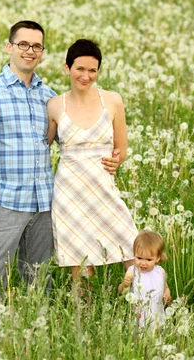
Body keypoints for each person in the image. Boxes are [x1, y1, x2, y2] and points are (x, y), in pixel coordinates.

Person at [0, 21, 120, 300]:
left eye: (36, 46)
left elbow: (73, 143)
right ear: (10, 47)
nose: (30, 51)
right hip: (5, 200)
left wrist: (111, 158)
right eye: (23, 44)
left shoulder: (49, 96)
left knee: (39, 281)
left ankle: (33, 335)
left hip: (44, 202)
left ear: (42, 52)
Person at [46, 39, 137, 283]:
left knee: (130, 245)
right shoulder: (55, 105)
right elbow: (44, 142)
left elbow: (122, 149)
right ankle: (82, 317)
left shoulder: (112, 100)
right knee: (80, 262)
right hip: (69, 191)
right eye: (80, 69)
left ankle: (145, 305)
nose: (86, 76)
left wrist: (117, 160)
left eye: (92, 70)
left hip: (102, 184)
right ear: (67, 68)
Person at [118, 230, 171, 330]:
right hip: (139, 316)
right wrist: (125, 284)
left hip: (156, 316)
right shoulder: (132, 271)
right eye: (139, 258)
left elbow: (165, 288)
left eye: (148, 260)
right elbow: (121, 292)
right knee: (138, 337)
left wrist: (167, 294)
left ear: (157, 258)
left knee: (157, 336)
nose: (143, 263)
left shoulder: (160, 272)